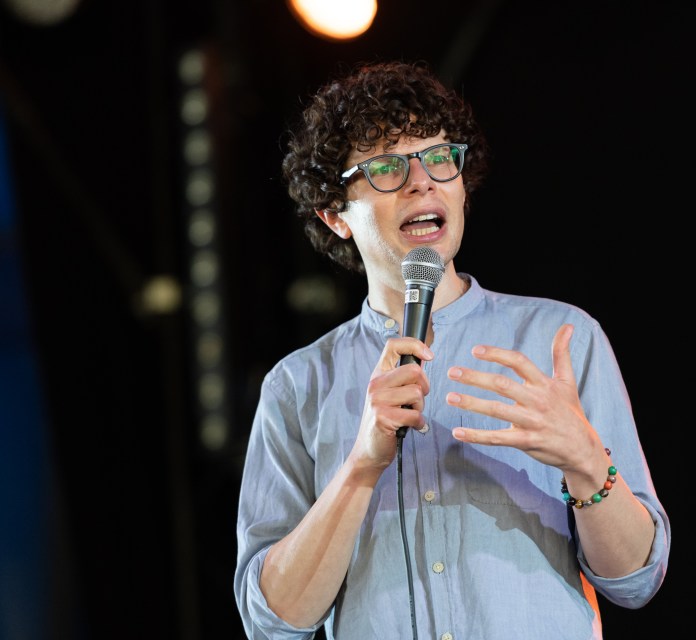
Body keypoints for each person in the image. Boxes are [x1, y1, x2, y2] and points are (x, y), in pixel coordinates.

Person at [234, 59, 671, 640]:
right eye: (388, 166)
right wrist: (360, 467)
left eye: (440, 158)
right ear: (335, 215)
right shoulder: (298, 385)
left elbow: (636, 580)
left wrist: (586, 463)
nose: (423, 181)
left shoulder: (561, 339)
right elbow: (272, 622)